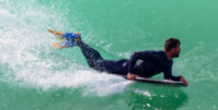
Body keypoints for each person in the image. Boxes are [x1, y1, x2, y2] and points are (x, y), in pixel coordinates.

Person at [53, 31, 189, 86]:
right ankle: (77, 40)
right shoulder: (157, 55)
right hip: (121, 68)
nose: (180, 49)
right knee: (95, 64)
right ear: (172, 49)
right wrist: (130, 72)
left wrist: (179, 79)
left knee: (97, 61)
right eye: (178, 47)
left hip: (124, 70)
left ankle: (78, 42)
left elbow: (168, 77)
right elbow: (136, 54)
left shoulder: (168, 62)